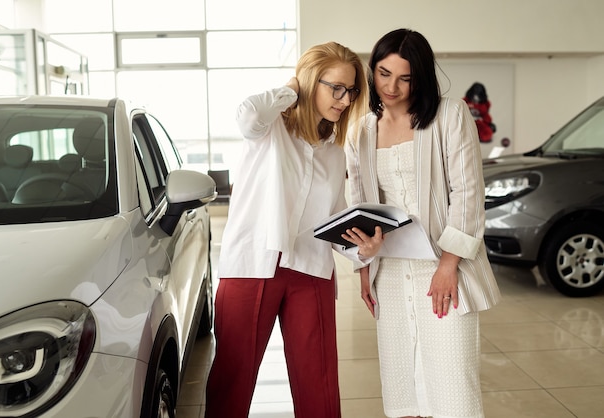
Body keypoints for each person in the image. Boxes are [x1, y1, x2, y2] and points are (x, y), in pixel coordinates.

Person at [205, 41, 382, 418]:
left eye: (351, 90)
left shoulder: (335, 152)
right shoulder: (269, 130)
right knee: (232, 380)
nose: (345, 98)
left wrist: (362, 250)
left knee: (319, 382)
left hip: (310, 271)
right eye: (335, 87)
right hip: (251, 267)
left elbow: (333, 220)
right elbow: (247, 114)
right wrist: (292, 88)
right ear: (309, 82)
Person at [345, 29, 502, 418]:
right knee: (403, 391)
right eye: (383, 74)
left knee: (453, 387)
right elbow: (358, 202)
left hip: (444, 265)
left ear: (422, 77)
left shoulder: (449, 115)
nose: (391, 87)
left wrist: (448, 266)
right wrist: (364, 266)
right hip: (391, 272)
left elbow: (468, 193)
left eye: (404, 77)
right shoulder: (361, 130)